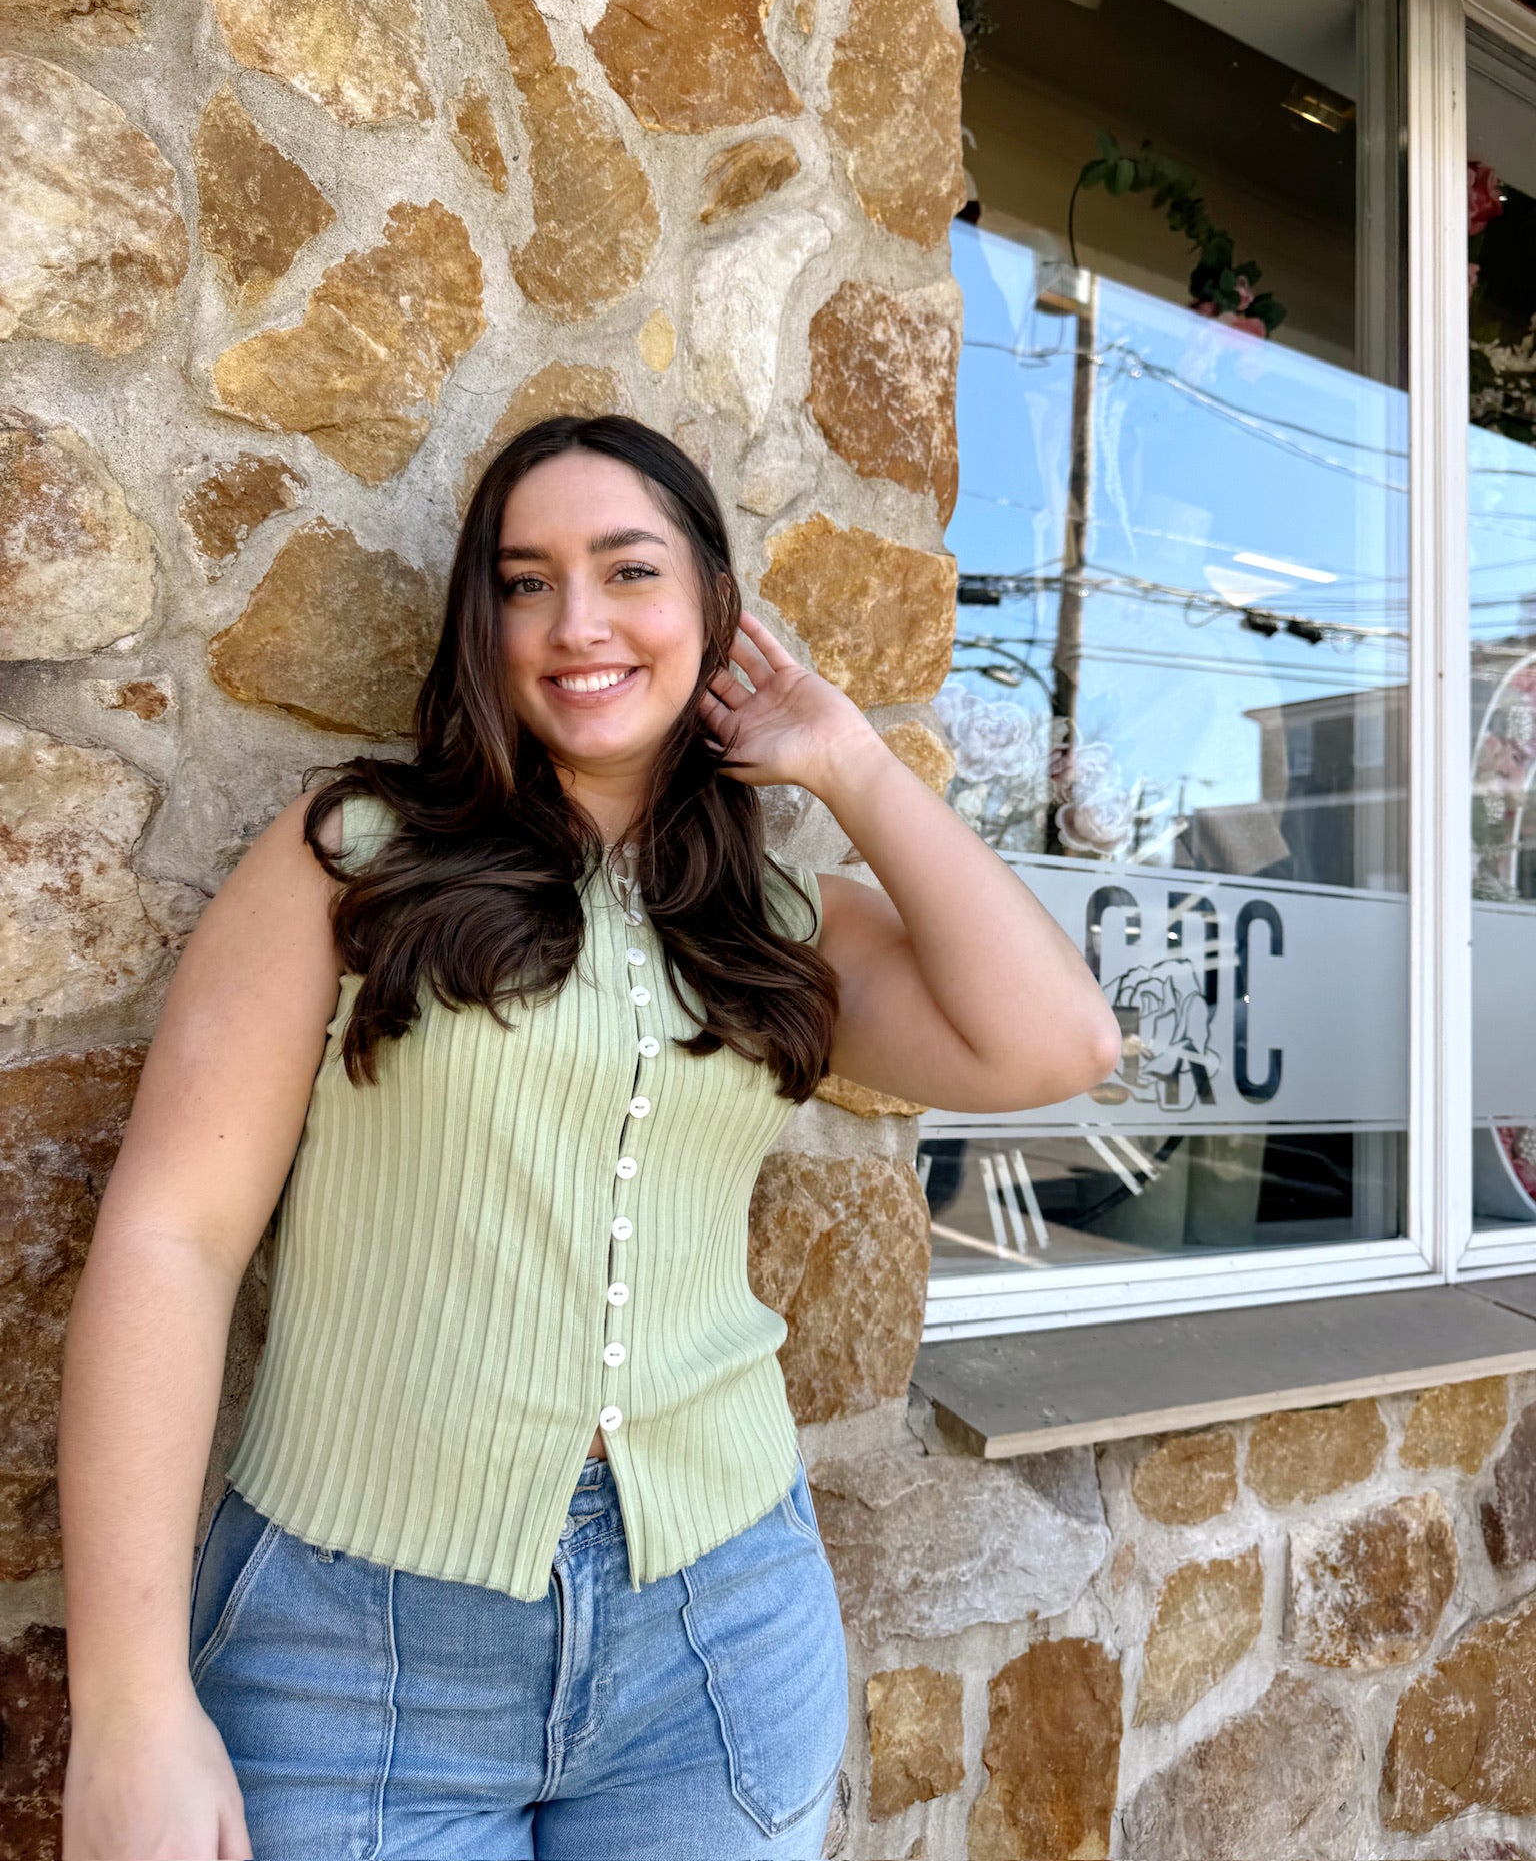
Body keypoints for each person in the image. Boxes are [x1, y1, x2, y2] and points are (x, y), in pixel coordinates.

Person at [57, 415, 1120, 1860]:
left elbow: (1058, 1043)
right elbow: (171, 1240)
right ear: (482, 623)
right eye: (525, 583)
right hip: (354, 1656)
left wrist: (850, 761)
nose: (577, 624)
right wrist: (128, 1705)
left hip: (720, 1634)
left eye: (629, 571)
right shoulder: (353, 858)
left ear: (711, 607)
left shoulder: (778, 928)